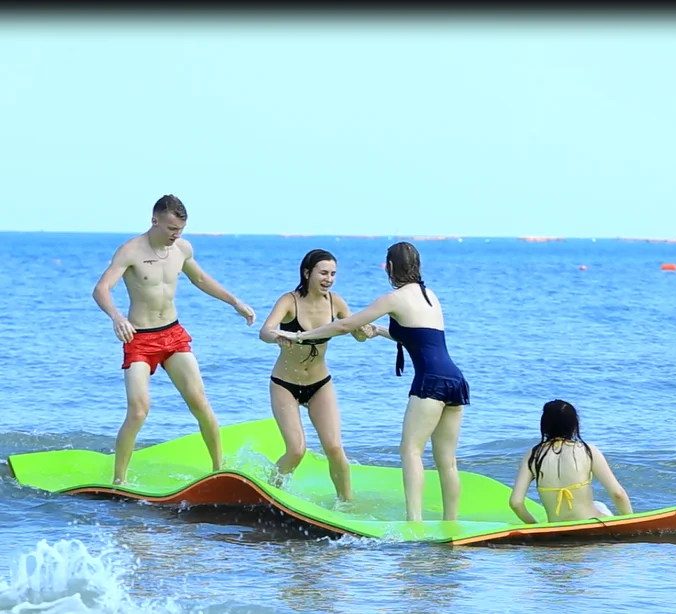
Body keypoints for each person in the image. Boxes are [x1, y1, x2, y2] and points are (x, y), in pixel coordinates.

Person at [277, 241, 469, 522]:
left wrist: (301, 336)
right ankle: (452, 523)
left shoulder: (394, 298)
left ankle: (413, 523)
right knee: (447, 462)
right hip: (455, 380)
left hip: (430, 383)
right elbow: (423, 340)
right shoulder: (430, 296)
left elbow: (345, 325)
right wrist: (379, 331)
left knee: (411, 451)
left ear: (390, 267)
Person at [91, 194, 256, 485]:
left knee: (200, 402)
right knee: (139, 410)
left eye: (179, 229)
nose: (175, 235)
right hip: (139, 338)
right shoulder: (130, 250)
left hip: (173, 334)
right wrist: (117, 317)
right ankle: (119, 480)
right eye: (170, 229)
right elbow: (101, 289)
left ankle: (220, 470)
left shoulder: (182, 248)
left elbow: (202, 279)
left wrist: (235, 302)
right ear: (155, 221)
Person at [259, 249, 376, 502]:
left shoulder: (336, 303)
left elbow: (356, 333)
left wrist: (366, 331)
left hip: (320, 384)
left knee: (334, 448)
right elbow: (265, 331)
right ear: (307, 272)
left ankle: (347, 505)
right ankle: (270, 494)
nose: (329, 278)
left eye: (333, 274)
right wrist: (279, 335)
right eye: (323, 272)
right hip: (285, 384)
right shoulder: (289, 301)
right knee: (297, 450)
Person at [509, 399, 633, 524]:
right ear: (574, 425)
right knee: (599, 505)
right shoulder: (588, 450)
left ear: (544, 425)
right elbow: (618, 494)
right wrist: (630, 524)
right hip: (593, 523)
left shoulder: (533, 455)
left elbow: (516, 503)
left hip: (557, 528)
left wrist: (536, 527)